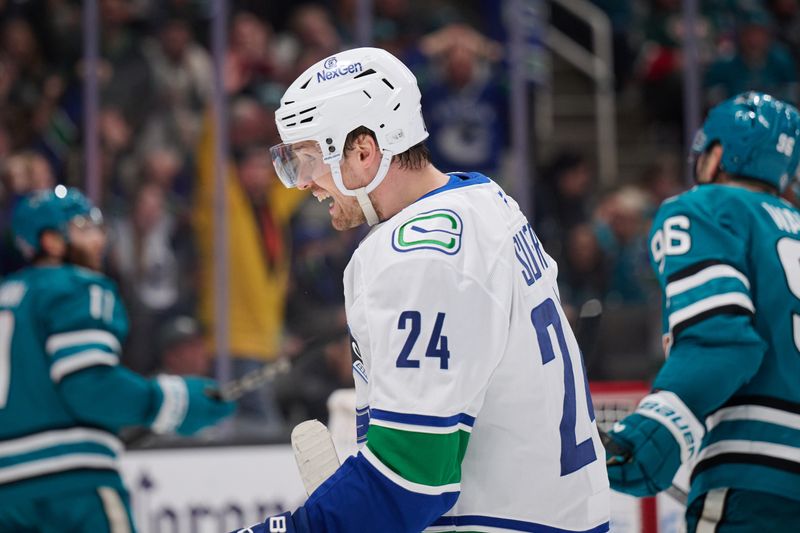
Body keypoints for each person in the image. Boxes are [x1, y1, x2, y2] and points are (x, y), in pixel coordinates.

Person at [234, 47, 610, 533]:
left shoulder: (417, 256)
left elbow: (411, 480)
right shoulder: (487, 201)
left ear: (364, 152)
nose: (302, 183)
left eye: (308, 159)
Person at [604, 92, 800, 532]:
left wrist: (659, 427)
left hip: (756, 473)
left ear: (717, 154)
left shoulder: (705, 208)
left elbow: (723, 343)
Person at [0, 186, 235, 532]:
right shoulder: (76, 286)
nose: (99, 238)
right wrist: (174, 402)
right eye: (83, 226)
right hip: (71, 490)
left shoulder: (9, 296)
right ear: (50, 241)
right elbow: (90, 387)